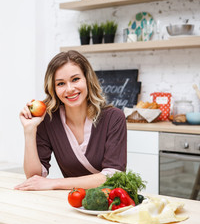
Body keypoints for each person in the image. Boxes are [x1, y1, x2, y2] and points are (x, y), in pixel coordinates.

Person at [15, 50, 127, 191]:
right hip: (71, 202)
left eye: (75, 79)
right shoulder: (48, 121)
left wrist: (54, 183)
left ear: (87, 79)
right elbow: (34, 178)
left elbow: (113, 176)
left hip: (109, 203)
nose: (70, 89)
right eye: (61, 84)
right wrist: (29, 131)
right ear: (53, 89)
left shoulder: (114, 118)